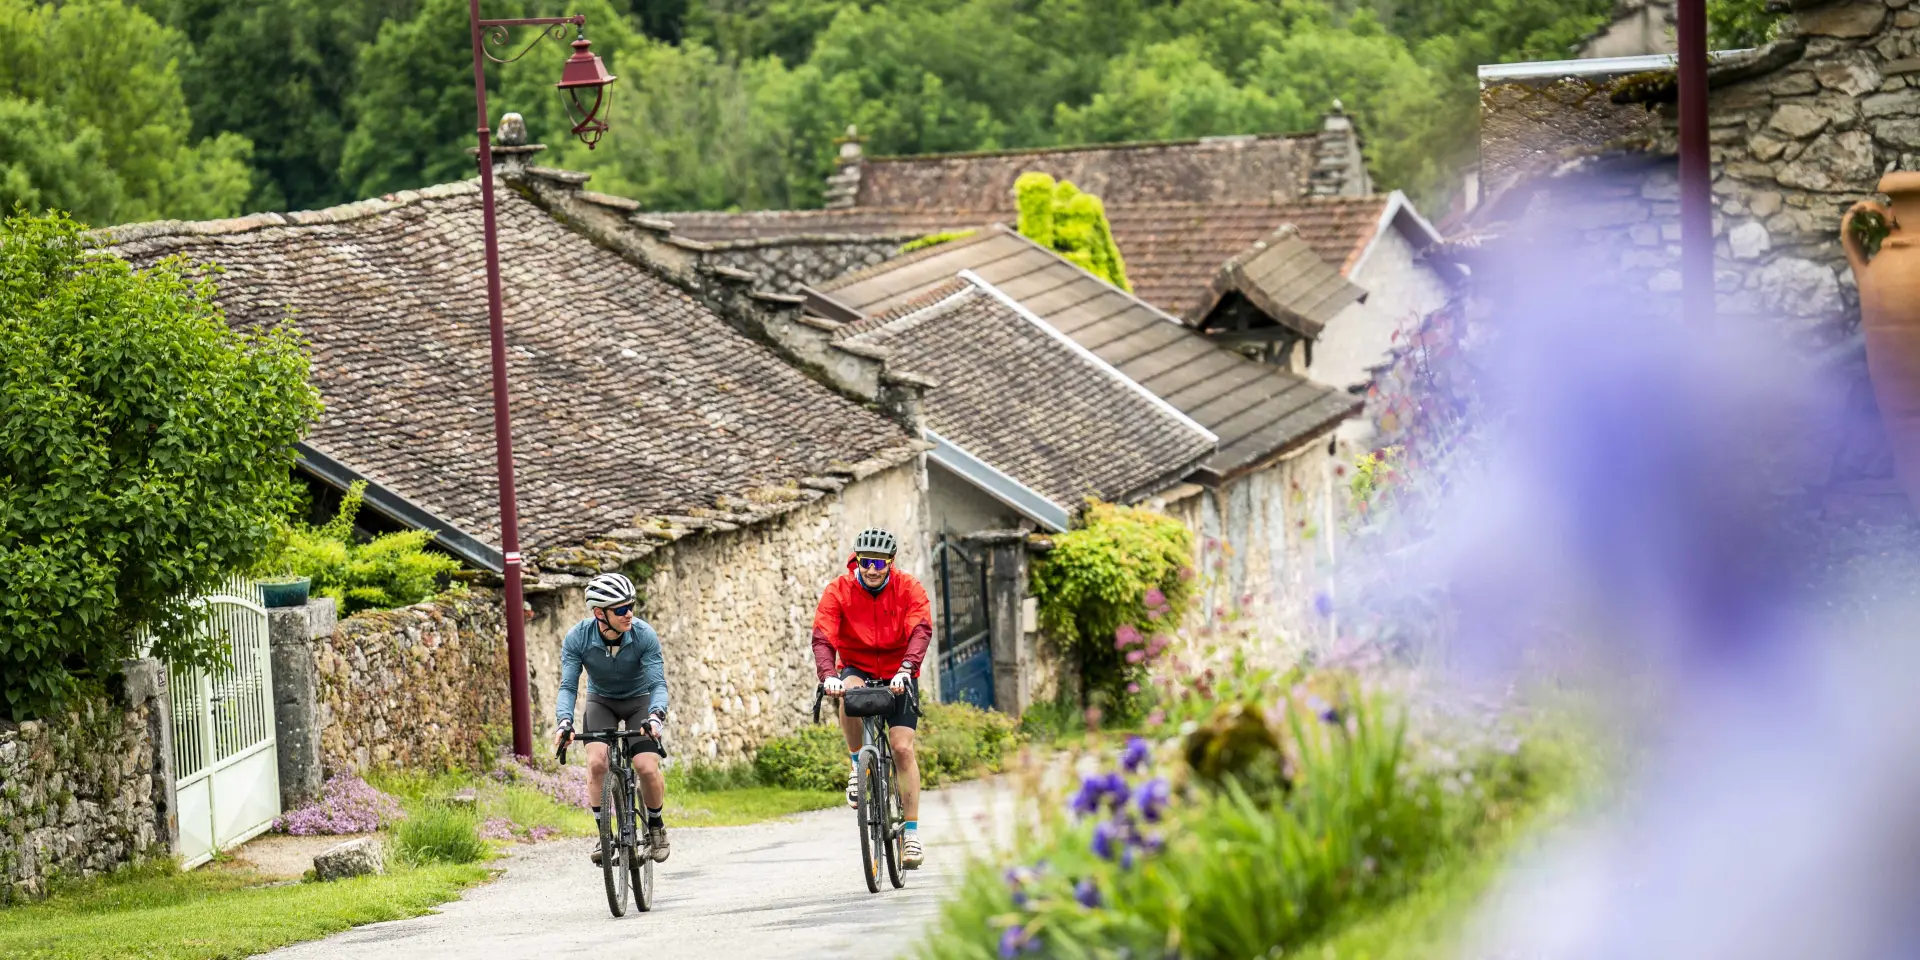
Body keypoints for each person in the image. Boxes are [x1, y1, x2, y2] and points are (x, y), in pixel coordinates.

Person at [812, 527, 932, 869]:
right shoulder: (839, 590)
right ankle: (856, 764)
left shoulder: (908, 588)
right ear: (858, 561)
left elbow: (921, 629)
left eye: (879, 563)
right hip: (857, 666)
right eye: (866, 562)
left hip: (900, 672)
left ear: (890, 562)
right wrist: (828, 675)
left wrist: (907, 668)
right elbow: (823, 636)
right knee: (847, 692)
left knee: (902, 748)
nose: (872, 569)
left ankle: (911, 835)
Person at [553, 572, 671, 864]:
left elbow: (658, 684)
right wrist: (564, 722)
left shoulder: (643, 634)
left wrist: (656, 717)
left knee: (645, 766)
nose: (629, 613)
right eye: (621, 609)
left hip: (639, 701)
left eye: (631, 606)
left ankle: (656, 825)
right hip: (601, 701)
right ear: (599, 613)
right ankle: (604, 834)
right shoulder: (578, 637)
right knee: (596, 763)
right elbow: (568, 687)